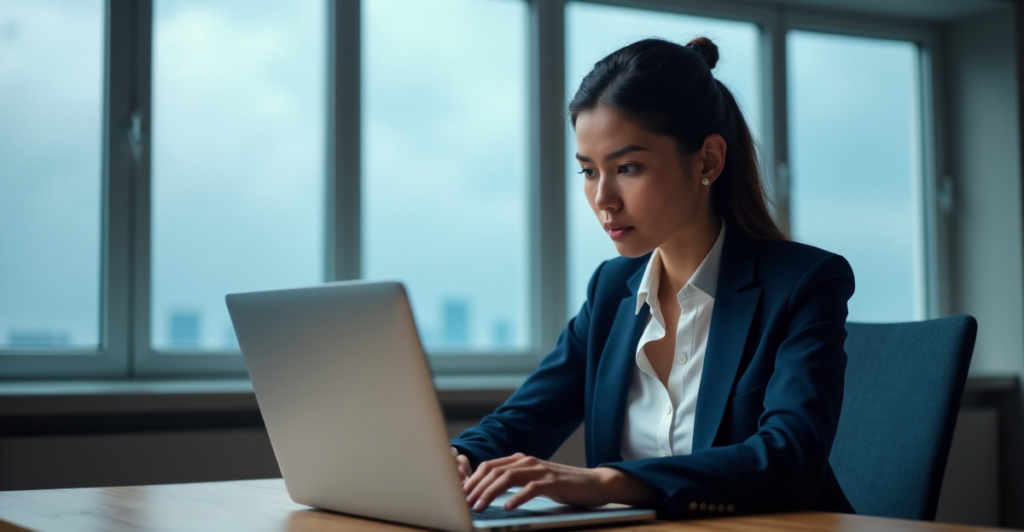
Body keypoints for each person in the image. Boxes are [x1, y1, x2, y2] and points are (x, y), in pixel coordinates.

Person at [450, 36, 856, 519]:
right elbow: (523, 419)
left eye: (627, 167)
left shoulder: (805, 283)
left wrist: (609, 482)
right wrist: (460, 457)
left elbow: (789, 460)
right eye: (587, 172)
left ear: (707, 160)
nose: (603, 199)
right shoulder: (610, 291)